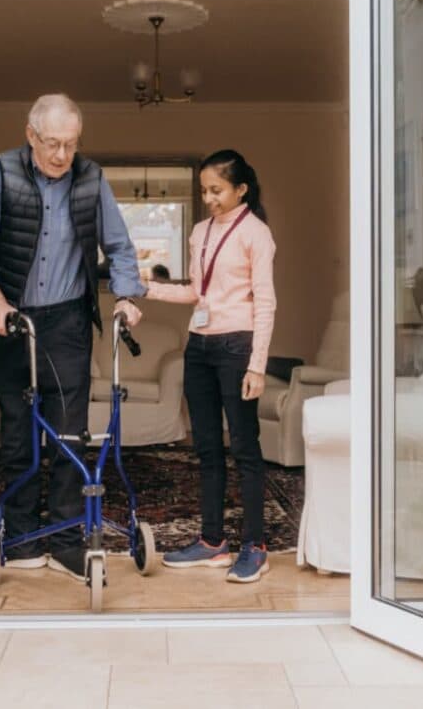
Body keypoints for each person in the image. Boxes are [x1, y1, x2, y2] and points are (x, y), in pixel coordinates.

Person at [0, 94, 145, 581]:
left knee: (67, 431)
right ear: (30, 135)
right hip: (13, 316)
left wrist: (125, 295)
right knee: (18, 429)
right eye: (53, 144)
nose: (62, 155)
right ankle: (20, 539)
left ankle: (65, 539)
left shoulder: (92, 178)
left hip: (68, 320)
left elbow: (120, 246)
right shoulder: (1, 172)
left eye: (71, 144)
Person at [145, 149, 276, 583]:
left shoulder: (256, 234)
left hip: (238, 347)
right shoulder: (199, 231)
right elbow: (197, 293)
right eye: (204, 190)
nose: (209, 198)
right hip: (199, 346)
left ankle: (255, 546)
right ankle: (213, 541)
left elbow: (266, 303)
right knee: (205, 447)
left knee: (244, 447)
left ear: (241, 189)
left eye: (217, 190)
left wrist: (257, 366)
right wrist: (149, 289)